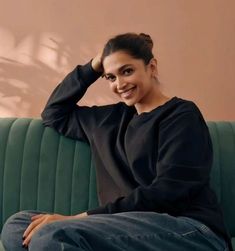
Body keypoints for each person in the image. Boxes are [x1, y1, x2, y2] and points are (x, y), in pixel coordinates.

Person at [1, 32, 232, 251]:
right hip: (122, 228)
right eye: (110, 76)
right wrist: (94, 65)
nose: (119, 84)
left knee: (50, 235)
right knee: (17, 227)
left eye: (127, 71)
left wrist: (77, 219)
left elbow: (169, 192)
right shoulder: (109, 119)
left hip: (190, 230)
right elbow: (53, 113)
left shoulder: (181, 115)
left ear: (152, 67)